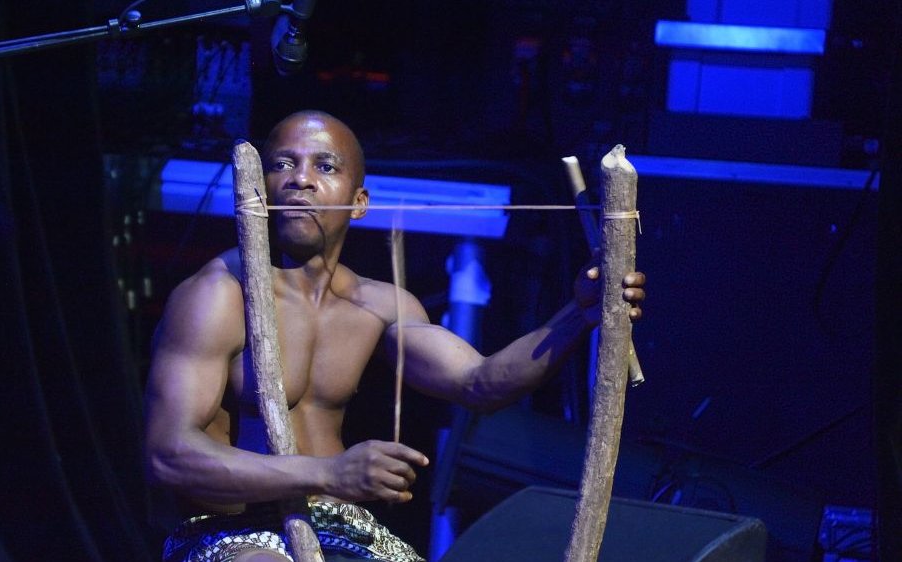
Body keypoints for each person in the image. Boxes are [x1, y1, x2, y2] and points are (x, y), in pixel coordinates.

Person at [143, 110, 646, 562]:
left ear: (359, 202)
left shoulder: (379, 305)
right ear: (257, 190)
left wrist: (580, 314)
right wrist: (330, 474)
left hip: (339, 529)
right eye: (281, 165)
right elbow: (168, 455)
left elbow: (483, 382)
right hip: (229, 534)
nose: (300, 180)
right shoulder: (217, 295)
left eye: (325, 166)